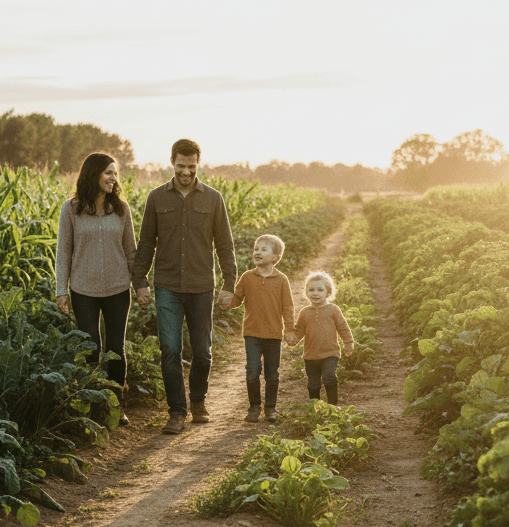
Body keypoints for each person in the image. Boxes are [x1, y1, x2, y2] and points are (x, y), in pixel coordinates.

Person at [131, 138, 237, 435]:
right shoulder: (156, 198)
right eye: (181, 166)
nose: (186, 172)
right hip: (167, 285)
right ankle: (177, 411)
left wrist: (230, 282)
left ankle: (199, 402)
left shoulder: (213, 199)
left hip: (202, 285)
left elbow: (225, 245)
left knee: (202, 351)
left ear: (198, 165)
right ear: (172, 162)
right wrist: (140, 282)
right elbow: (146, 243)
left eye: (191, 167)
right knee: (170, 350)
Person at [55, 152, 136, 427]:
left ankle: (116, 405)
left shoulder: (122, 209)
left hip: (117, 289)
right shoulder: (71, 209)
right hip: (83, 290)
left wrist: (141, 285)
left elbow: (131, 252)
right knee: (91, 348)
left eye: (116, 174)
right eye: (109, 173)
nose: (114, 179)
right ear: (93, 174)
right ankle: (91, 405)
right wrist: (61, 290)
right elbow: (63, 252)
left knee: (116, 348)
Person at [224, 234, 297, 423]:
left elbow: (288, 307)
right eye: (256, 249)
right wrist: (227, 302)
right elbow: (237, 299)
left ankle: (270, 408)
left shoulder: (282, 280)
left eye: (264, 249)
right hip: (252, 334)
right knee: (252, 370)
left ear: (275, 257)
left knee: (272, 374)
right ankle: (254, 406)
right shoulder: (247, 277)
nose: (257, 252)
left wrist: (289, 329)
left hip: (274, 335)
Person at [293, 271, 354, 405]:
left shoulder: (333, 309)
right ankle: (315, 406)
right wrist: (291, 338)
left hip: (330, 353)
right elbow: (298, 331)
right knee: (313, 384)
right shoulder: (304, 313)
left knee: (329, 377)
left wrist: (348, 343)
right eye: (311, 290)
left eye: (320, 290)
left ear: (328, 292)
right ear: (306, 292)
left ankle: (333, 405)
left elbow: (343, 327)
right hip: (310, 355)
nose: (315, 293)